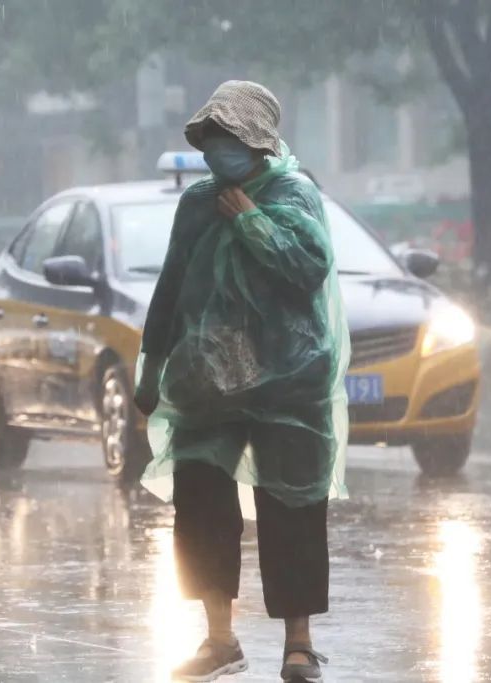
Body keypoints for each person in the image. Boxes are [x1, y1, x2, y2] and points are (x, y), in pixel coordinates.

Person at [134, 80, 350, 683]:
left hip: (290, 378)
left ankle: (298, 645)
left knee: (294, 506)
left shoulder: (294, 194)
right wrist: (151, 369)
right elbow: (172, 287)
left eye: (231, 137)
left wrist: (252, 220)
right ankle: (219, 637)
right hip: (211, 377)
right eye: (213, 138)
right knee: (201, 499)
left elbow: (307, 268)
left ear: (257, 141)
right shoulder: (197, 204)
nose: (220, 149)